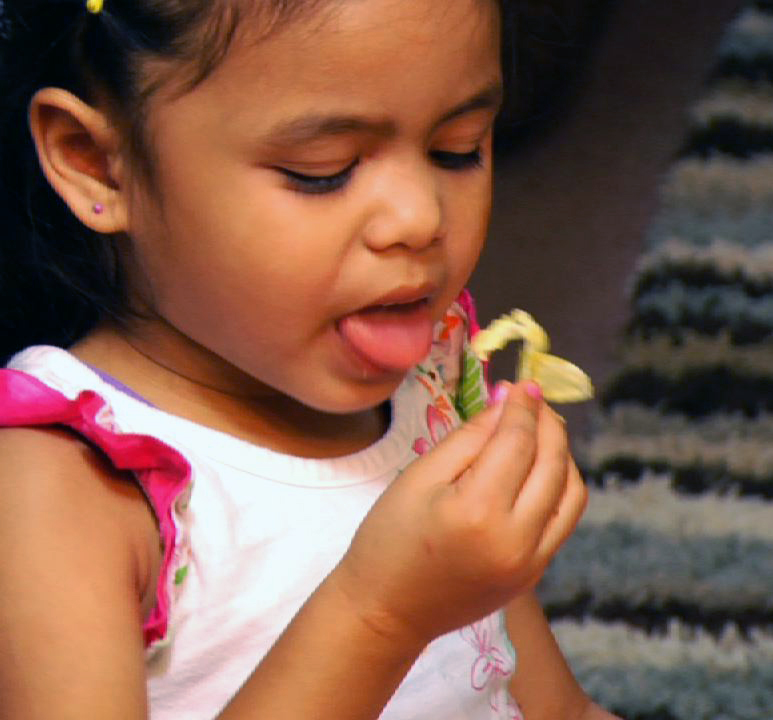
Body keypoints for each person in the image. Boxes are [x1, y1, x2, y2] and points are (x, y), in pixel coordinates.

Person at [0, 0, 617, 717]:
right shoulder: (60, 490)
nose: (419, 217)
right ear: (99, 165)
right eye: (321, 170)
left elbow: (554, 707)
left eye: (458, 147)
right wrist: (381, 612)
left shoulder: (428, 378)